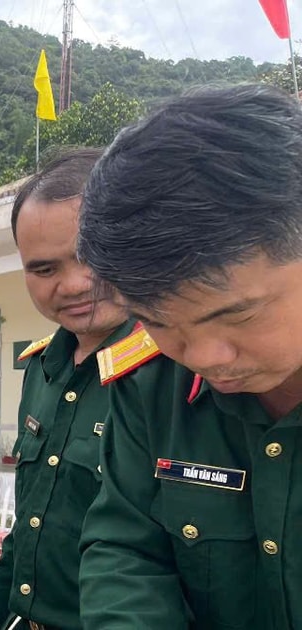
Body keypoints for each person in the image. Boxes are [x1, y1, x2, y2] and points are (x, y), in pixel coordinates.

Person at [75, 84, 302, 629]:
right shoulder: (149, 382)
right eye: (157, 321)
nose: (204, 357)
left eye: (237, 315)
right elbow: (127, 550)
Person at [0, 149, 142, 630]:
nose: (75, 284)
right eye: (44, 270)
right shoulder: (41, 370)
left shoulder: (180, 376)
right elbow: (29, 531)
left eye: (92, 256)